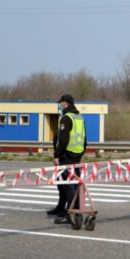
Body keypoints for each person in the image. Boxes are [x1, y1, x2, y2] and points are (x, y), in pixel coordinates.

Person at [47, 94, 87, 224]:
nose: (60, 105)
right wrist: (80, 154)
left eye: (61, 103)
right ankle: (62, 207)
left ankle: (70, 213)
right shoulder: (79, 118)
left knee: (68, 184)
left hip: (66, 156)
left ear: (66, 103)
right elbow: (85, 139)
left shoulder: (66, 118)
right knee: (67, 184)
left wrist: (57, 155)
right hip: (76, 155)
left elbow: (63, 140)